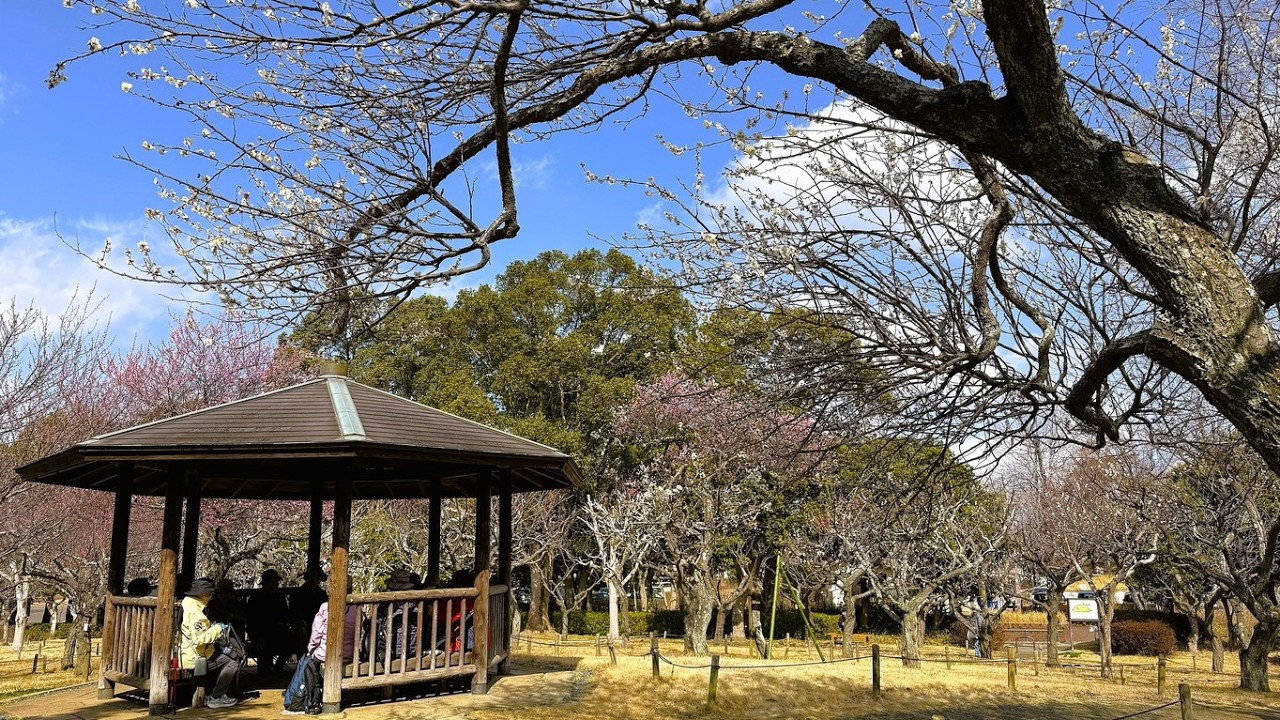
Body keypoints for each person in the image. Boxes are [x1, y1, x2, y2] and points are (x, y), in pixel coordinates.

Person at [179, 578, 240, 709]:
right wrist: (217, 628)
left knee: (223, 657)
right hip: (194, 657)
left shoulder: (186, 604)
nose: (211, 597)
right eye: (210, 594)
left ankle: (213, 694)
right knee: (232, 663)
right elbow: (200, 639)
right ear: (203, 595)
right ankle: (216, 697)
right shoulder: (196, 614)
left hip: (187, 652)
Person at [246, 569, 292, 672]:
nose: (274, 585)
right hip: (261, 634)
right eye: (271, 582)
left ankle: (277, 669)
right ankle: (266, 672)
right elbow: (251, 621)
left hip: (278, 631)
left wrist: (284, 623)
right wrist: (257, 637)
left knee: (289, 640)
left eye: (276, 582)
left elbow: (286, 615)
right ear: (265, 583)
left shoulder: (280, 597)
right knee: (264, 655)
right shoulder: (255, 599)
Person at [290, 568, 328, 657]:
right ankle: (302, 660)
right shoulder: (298, 593)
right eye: (312, 577)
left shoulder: (322, 595)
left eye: (317, 577)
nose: (314, 580)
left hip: (318, 625)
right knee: (301, 631)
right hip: (302, 625)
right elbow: (294, 612)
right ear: (307, 578)